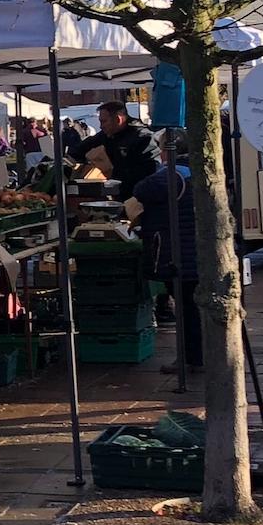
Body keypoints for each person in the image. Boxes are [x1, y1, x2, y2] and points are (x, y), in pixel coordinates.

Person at [131, 138, 202, 369]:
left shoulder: (172, 174)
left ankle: (191, 358)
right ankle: (197, 356)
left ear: (167, 151)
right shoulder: (197, 171)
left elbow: (141, 189)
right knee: (192, 307)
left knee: (186, 308)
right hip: (195, 251)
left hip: (178, 253)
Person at [77, 103, 158, 199]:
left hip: (138, 196)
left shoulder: (143, 138)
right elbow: (83, 147)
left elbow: (146, 173)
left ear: (118, 120)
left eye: (104, 121)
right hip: (118, 192)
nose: (101, 126)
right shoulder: (107, 134)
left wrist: (111, 171)